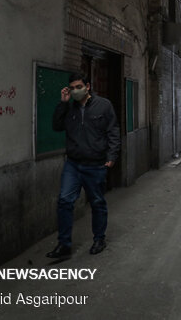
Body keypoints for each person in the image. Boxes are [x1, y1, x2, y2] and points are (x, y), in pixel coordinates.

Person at [48, 73, 120, 258]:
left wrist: (112, 155)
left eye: (78, 87)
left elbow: (113, 130)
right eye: (72, 88)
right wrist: (63, 103)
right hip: (73, 164)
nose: (75, 91)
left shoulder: (103, 105)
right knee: (64, 201)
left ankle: (99, 239)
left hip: (95, 164)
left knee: (97, 202)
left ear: (88, 86)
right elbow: (56, 126)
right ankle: (64, 245)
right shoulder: (69, 107)